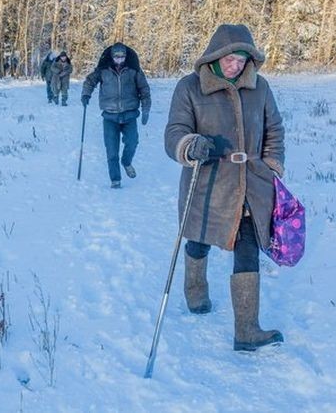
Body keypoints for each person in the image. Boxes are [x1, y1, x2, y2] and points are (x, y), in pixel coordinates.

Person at [164, 24, 286, 351]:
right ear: (215, 57)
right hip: (207, 186)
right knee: (199, 240)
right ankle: (195, 291)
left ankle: (246, 331)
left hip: (250, 185)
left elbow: (274, 129)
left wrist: (272, 164)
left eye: (242, 60)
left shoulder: (259, 88)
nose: (235, 66)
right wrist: (191, 145)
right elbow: (174, 132)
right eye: (230, 59)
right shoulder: (190, 88)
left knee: (248, 249)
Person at [82, 42, 151, 188]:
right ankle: (115, 180)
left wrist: (146, 109)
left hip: (129, 114)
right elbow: (90, 81)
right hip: (110, 116)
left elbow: (144, 90)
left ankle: (126, 162)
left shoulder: (134, 70)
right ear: (112, 57)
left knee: (132, 143)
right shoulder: (103, 70)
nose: (119, 59)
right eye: (116, 57)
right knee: (111, 150)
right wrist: (86, 94)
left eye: (122, 57)